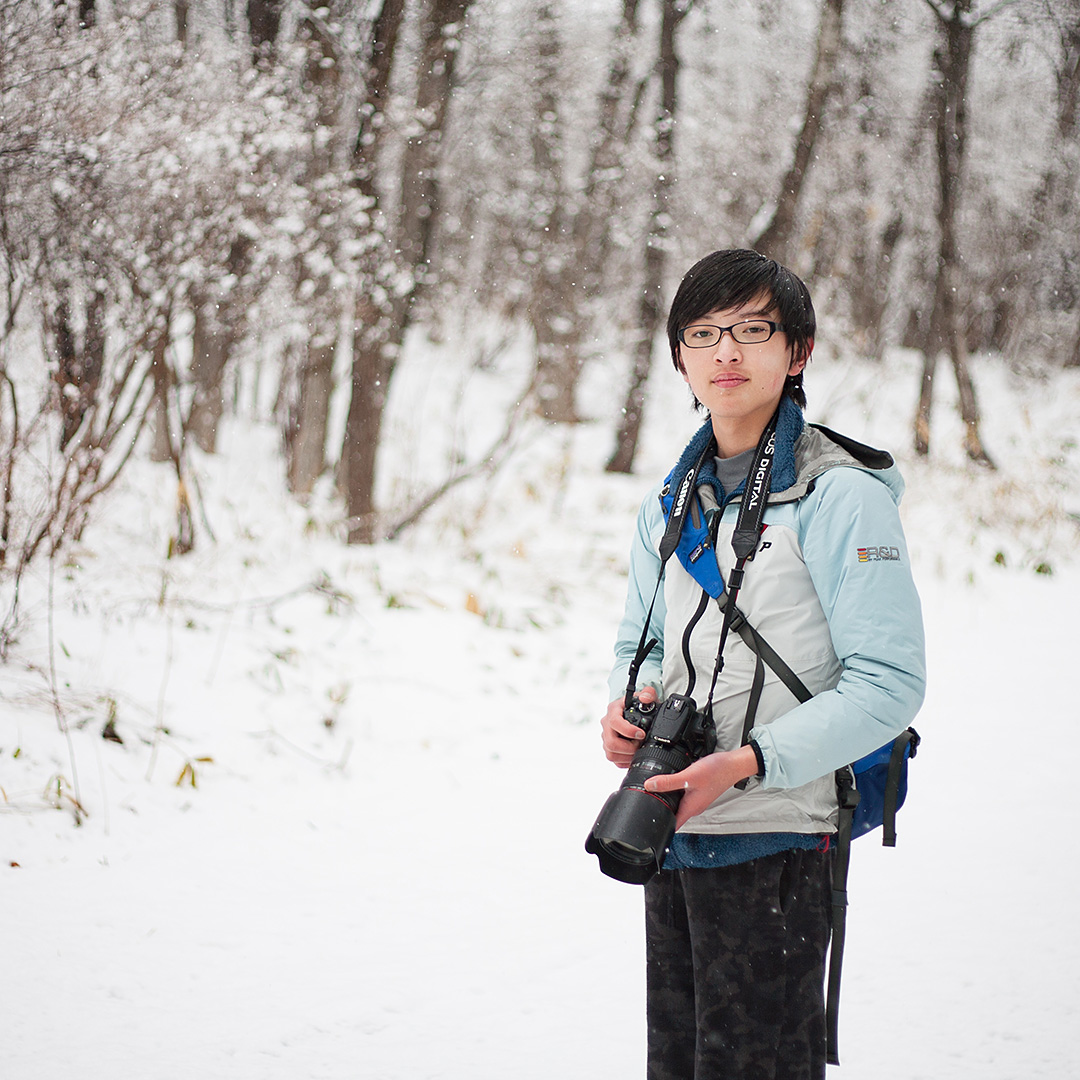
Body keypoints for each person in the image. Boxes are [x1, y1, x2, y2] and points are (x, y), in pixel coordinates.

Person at [599, 249, 926, 1080]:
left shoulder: (838, 495)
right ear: (680, 359)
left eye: (752, 330)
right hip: (674, 821)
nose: (727, 354)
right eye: (703, 334)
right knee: (680, 1063)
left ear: (799, 351)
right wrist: (625, 704)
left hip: (778, 830)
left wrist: (749, 765)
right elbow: (639, 638)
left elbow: (890, 686)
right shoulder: (672, 500)